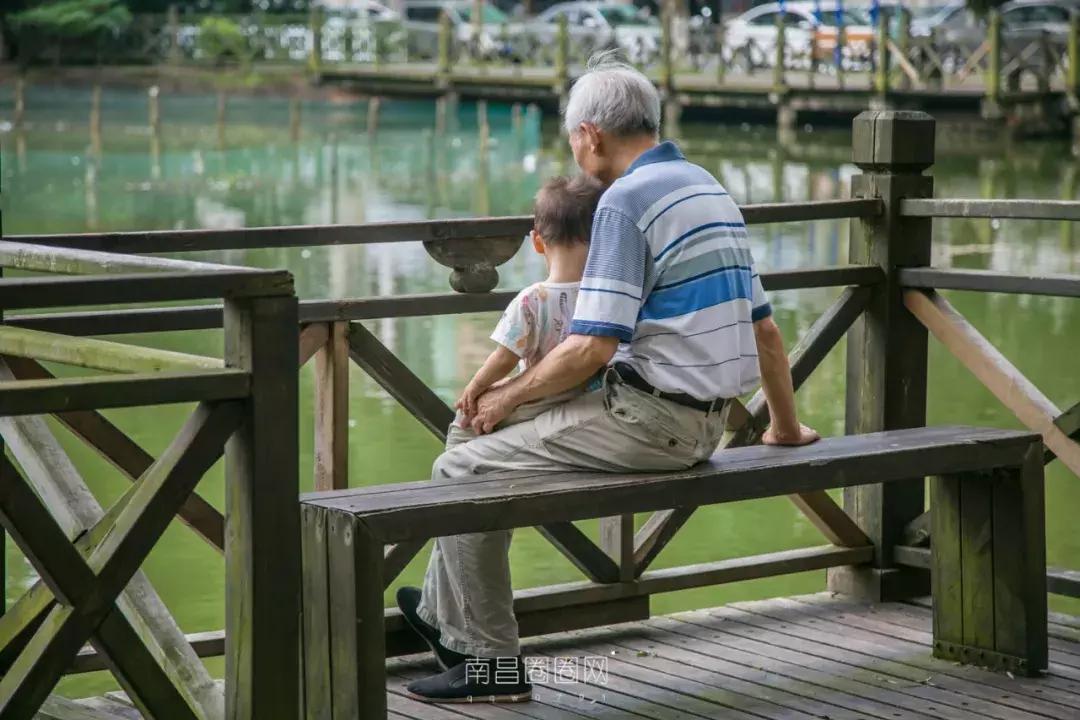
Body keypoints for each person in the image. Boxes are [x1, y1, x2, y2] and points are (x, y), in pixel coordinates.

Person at [398, 52, 820, 705]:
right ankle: (442, 611)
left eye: (571, 137)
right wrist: (785, 429)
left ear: (591, 134)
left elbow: (591, 347)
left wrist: (504, 393)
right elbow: (765, 330)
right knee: (467, 435)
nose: (572, 150)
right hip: (707, 424)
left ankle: (490, 667)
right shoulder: (707, 187)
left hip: (646, 423)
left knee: (460, 470)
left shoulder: (623, 203)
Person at [448, 174, 606, 448]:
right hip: (587, 401)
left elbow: (504, 359)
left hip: (537, 401)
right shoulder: (604, 295)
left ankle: (455, 483)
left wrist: (474, 387)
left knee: (462, 426)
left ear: (537, 241)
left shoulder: (531, 301)